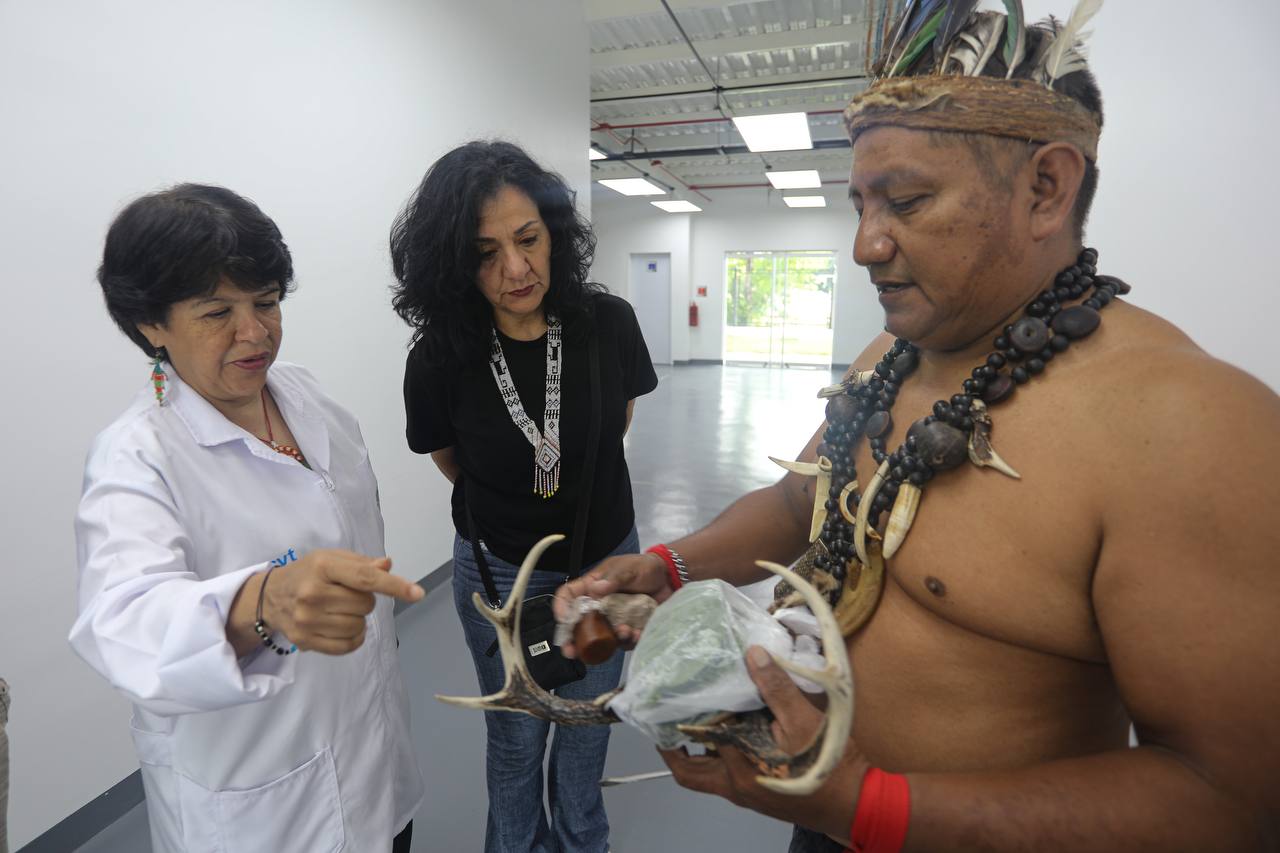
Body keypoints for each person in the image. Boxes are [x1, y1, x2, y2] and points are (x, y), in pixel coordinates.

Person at [556, 4, 1280, 850]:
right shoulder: (890, 351)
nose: (866, 244)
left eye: (906, 200)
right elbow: (801, 503)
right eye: (862, 201)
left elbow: (1232, 798)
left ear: (1047, 187)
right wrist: (670, 564)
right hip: (826, 817)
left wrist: (873, 809)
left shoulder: (1188, 429)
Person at [69, 184, 425, 853]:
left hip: (378, 768)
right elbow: (123, 622)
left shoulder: (309, 398)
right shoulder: (137, 456)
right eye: (216, 312)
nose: (255, 331)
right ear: (152, 324)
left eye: (266, 302)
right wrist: (263, 599)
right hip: (265, 813)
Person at [391, 140, 658, 853]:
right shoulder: (440, 357)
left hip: (604, 562)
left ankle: (581, 841)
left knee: (587, 722)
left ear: (555, 234)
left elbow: (613, 429)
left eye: (528, 239)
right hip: (497, 574)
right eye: (483, 253)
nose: (514, 268)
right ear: (453, 264)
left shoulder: (610, 326)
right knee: (515, 735)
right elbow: (453, 461)